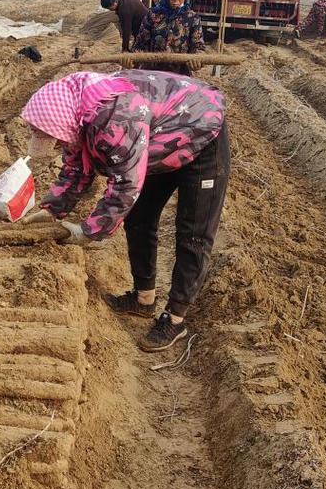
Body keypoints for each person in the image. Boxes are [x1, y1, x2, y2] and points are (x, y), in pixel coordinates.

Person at [18, 69, 229, 351]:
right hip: (156, 138)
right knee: (139, 219)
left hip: (200, 131)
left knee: (193, 233)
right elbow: (76, 167)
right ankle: (144, 300)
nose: (56, 145)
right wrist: (52, 210)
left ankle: (175, 317)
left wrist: (88, 231)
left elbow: (125, 185)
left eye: (55, 141)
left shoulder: (116, 119)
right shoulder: (74, 115)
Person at [133, 0, 206, 74]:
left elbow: (198, 47)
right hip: (152, 74)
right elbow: (140, 45)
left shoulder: (192, 18)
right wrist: (132, 59)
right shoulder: (152, 15)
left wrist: (198, 59)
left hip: (180, 76)